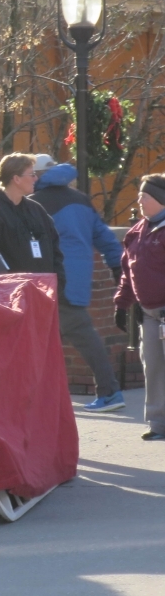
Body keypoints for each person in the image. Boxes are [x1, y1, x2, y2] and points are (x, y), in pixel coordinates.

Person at [31, 155, 125, 412]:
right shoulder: (80, 198)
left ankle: (108, 392)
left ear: (36, 175)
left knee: (40, 341)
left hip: (54, 281)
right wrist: (119, 268)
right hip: (78, 279)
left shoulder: (34, 203)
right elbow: (104, 237)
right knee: (78, 337)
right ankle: (108, 392)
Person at [114, 174, 165, 440]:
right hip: (149, 315)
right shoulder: (136, 232)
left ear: (160, 198)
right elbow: (128, 272)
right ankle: (158, 424)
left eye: (144, 196)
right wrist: (122, 305)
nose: (139, 201)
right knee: (153, 368)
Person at [0, 152, 66, 292]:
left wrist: (58, 284)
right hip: (11, 296)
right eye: (31, 174)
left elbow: (55, 249)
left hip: (44, 294)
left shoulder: (36, 210)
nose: (36, 178)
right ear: (16, 179)